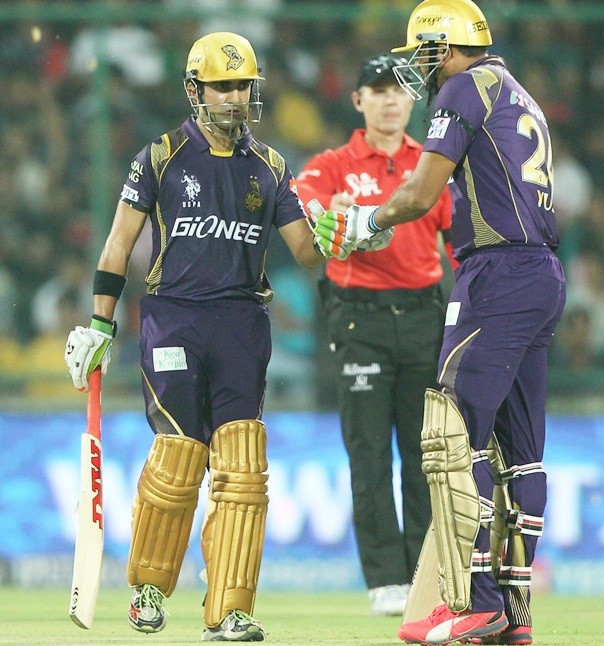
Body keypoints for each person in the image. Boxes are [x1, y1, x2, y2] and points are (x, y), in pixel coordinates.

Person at [63, 32, 352, 643]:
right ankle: (147, 588)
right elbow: (118, 243)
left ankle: (228, 611)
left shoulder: (270, 167)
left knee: (245, 469)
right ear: (195, 91)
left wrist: (344, 232)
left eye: (243, 85)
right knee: (177, 456)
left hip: (243, 325)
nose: (235, 98)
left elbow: (304, 251)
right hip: (174, 318)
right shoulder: (162, 155)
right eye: (222, 87)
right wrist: (98, 323)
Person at [320, 1, 566, 644]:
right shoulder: (517, 92)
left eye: (423, 53)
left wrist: (364, 222)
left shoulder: (461, 86)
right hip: (540, 273)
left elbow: (423, 193)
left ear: (444, 47)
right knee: (522, 453)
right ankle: (513, 616)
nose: (418, 70)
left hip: (498, 274)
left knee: (451, 435)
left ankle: (475, 602)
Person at [295, 53, 455, 617]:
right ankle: (386, 580)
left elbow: (459, 241)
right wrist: (326, 212)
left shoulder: (433, 164)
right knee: (367, 454)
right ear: (358, 100)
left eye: (399, 91)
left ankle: (422, 576)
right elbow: (301, 201)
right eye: (377, 90)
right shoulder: (334, 164)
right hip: (358, 320)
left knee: (423, 456)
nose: (390, 99)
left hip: (423, 320)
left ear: (413, 101)